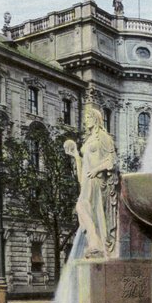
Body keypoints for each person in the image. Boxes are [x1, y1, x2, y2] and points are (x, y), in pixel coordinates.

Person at [64, 108, 117, 258]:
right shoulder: (89, 140)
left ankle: (96, 243)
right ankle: (95, 243)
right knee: (83, 209)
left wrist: (96, 170)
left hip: (97, 180)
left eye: (88, 117)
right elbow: (82, 176)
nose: (85, 120)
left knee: (84, 207)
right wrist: (75, 156)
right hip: (87, 180)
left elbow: (112, 160)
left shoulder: (104, 137)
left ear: (95, 119)